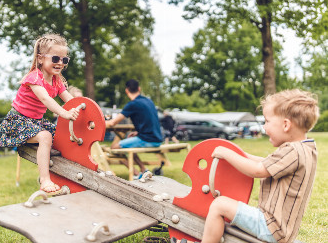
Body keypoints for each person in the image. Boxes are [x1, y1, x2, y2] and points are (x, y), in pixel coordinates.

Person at [172, 89, 319, 243]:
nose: (263, 127)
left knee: (219, 204)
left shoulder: (292, 151)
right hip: (281, 228)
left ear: (286, 125)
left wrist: (227, 154)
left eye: (267, 121)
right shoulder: (305, 149)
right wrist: (238, 154)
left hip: (271, 227)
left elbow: (258, 170)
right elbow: (265, 162)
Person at [0, 33, 80, 194]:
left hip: (35, 122)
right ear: (40, 58)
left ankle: (68, 169)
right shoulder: (34, 78)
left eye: (64, 60)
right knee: (45, 136)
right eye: (55, 59)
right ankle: (44, 179)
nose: (60, 63)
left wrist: (83, 110)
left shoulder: (56, 81)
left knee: (62, 135)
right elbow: (46, 100)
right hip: (18, 121)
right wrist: (64, 113)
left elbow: (70, 100)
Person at [105, 79, 163, 177]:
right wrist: (138, 132)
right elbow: (150, 121)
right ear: (139, 89)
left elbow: (112, 123)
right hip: (157, 138)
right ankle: (144, 169)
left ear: (127, 90)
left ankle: (137, 174)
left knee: (114, 148)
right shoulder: (148, 101)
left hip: (148, 139)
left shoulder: (132, 104)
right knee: (128, 144)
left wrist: (100, 122)